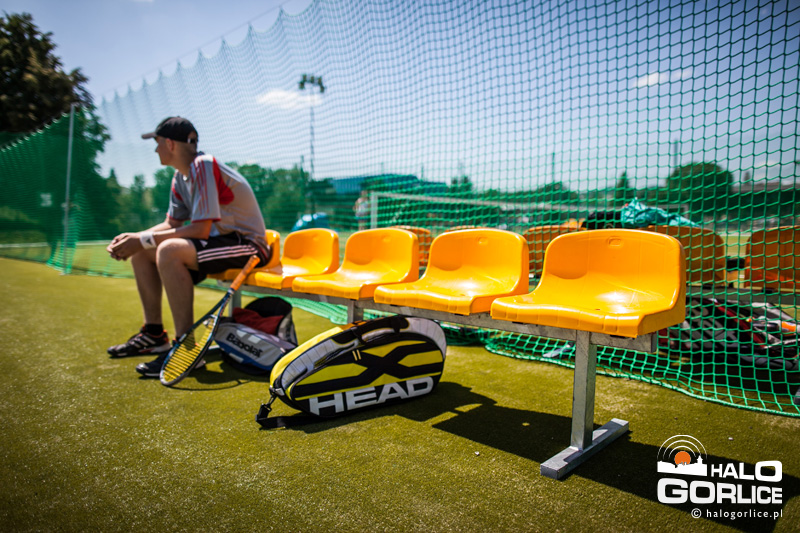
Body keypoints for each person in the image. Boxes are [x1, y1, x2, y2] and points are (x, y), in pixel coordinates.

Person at [106, 116, 270, 378]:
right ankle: (154, 335)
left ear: (170, 144)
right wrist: (135, 239)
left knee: (168, 250)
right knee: (143, 251)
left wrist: (142, 239)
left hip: (248, 246)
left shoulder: (202, 165)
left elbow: (200, 229)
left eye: (158, 142)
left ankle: (187, 349)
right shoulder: (180, 177)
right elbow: (171, 224)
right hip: (216, 243)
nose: (155, 149)